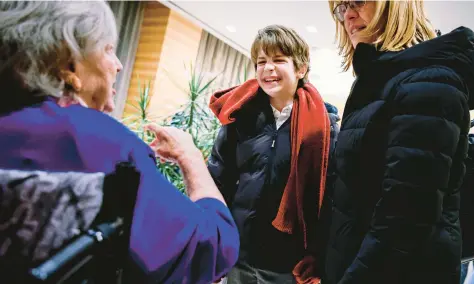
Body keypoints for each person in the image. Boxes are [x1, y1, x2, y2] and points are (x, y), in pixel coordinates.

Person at [0, 2, 239, 283]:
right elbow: (212, 249)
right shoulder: (91, 139)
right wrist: (191, 157)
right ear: (69, 62)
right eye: (108, 49)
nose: (119, 64)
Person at [154, 25, 339, 284]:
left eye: (278, 60)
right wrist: (210, 243)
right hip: (238, 253)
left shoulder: (324, 127)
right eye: (261, 61)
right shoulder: (239, 117)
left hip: (289, 263)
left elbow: (330, 196)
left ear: (301, 68)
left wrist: (319, 254)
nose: (268, 68)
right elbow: (217, 181)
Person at [324, 1, 474, 283]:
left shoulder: (430, 83)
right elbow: (353, 194)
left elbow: (405, 218)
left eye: (358, 1)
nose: (348, 14)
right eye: (341, 7)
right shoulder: (376, 81)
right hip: (359, 263)